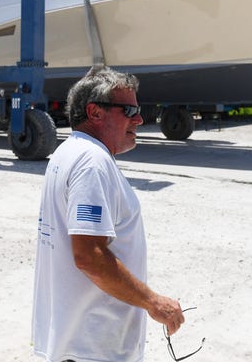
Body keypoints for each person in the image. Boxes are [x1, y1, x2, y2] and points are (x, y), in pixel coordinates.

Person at [32, 66, 184, 362]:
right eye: (129, 110)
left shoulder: (69, 152)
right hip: (92, 347)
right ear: (95, 112)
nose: (139, 119)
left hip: (74, 339)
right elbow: (90, 257)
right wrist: (154, 303)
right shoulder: (92, 163)